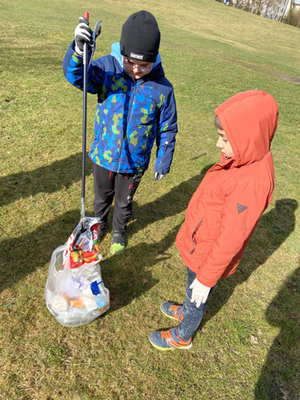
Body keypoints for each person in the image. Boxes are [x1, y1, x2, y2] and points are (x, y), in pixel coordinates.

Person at [149, 90, 279, 350]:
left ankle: (183, 335)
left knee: (198, 292)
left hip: (208, 254)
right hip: (202, 242)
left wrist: (207, 278)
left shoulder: (251, 183)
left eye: (225, 139)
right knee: (190, 286)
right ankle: (187, 308)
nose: (219, 145)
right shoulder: (242, 158)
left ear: (248, 139)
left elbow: (231, 237)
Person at [63, 11, 178, 255]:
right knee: (101, 198)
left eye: (144, 65)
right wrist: (79, 52)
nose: (136, 70)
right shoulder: (107, 69)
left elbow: (167, 126)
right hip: (103, 155)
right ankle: (99, 224)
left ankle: (118, 229)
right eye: (130, 62)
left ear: (155, 59)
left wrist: (163, 160)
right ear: (122, 52)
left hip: (134, 163)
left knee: (124, 203)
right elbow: (77, 76)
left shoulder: (163, 89)